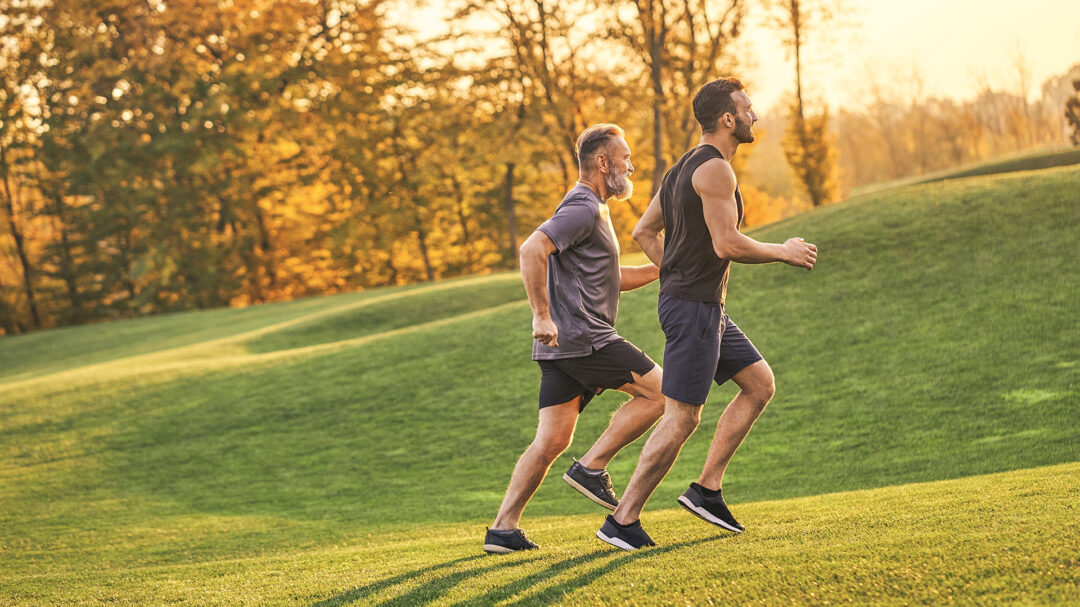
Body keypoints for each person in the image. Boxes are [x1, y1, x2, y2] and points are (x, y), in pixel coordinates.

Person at [595, 78, 818, 550]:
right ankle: (623, 519)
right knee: (682, 417)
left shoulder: (679, 170)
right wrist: (784, 250)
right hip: (694, 307)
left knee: (759, 384)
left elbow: (643, 230)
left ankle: (707, 489)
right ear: (727, 119)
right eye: (748, 108)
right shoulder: (715, 171)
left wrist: (674, 271)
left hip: (701, 305)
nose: (754, 115)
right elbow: (727, 243)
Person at [483, 124, 666, 554]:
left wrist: (662, 270)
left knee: (550, 441)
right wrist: (541, 316)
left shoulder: (593, 210)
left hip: (566, 348)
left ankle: (503, 529)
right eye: (624, 156)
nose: (631, 164)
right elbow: (532, 249)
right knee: (663, 394)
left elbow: (609, 279)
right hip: (587, 339)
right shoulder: (584, 207)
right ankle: (591, 467)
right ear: (603, 163)